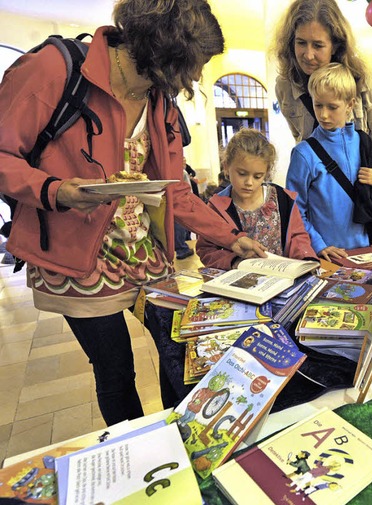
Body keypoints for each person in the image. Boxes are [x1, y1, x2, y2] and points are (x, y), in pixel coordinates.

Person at [0, 0, 266, 426]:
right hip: (77, 261)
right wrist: (54, 190)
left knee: (180, 347)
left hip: (144, 253)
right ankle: (137, 459)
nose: (197, 77)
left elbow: (175, 190)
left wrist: (231, 237)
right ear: (163, 50)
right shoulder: (54, 70)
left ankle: (177, 440)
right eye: (194, 65)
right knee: (116, 369)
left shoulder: (159, 101)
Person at [286, 63, 372, 261]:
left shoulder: (363, 142)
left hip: (366, 249)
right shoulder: (304, 153)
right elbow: (295, 209)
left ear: (350, 105)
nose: (324, 114)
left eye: (332, 107)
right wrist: (317, 244)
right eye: (318, 105)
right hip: (327, 253)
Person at [273, 0, 372, 159]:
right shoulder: (285, 85)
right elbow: (299, 137)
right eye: (301, 43)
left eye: (318, 45)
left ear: (335, 45)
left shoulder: (364, 79)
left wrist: (367, 177)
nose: (308, 55)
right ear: (291, 43)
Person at [197, 128, 317, 269]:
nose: (249, 182)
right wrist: (234, 262)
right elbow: (206, 250)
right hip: (238, 282)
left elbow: (297, 236)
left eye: (257, 176)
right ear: (226, 167)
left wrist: (305, 259)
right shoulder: (216, 207)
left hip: (281, 279)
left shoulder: (283, 199)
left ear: (266, 172)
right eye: (242, 174)